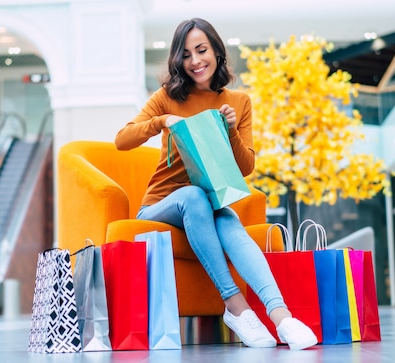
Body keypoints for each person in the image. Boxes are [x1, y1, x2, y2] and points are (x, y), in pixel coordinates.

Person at [115, 18, 318, 350]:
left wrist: (232, 130)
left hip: (208, 203)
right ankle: (236, 306)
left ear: (217, 52)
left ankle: (282, 317)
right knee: (195, 196)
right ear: (177, 60)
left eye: (201, 50)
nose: (195, 61)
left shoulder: (238, 102)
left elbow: (246, 167)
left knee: (227, 217)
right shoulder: (167, 97)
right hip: (160, 205)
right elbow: (122, 140)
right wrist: (162, 120)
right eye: (186, 54)